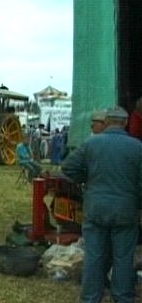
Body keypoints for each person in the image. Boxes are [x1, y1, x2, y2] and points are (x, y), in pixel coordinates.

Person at [62, 106, 142, 303]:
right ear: (125, 123)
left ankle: (90, 298)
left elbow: (68, 168)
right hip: (126, 210)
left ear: (106, 122)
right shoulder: (137, 147)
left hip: (95, 208)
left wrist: (87, 179)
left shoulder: (91, 143)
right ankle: (123, 297)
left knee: (94, 256)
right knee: (123, 258)